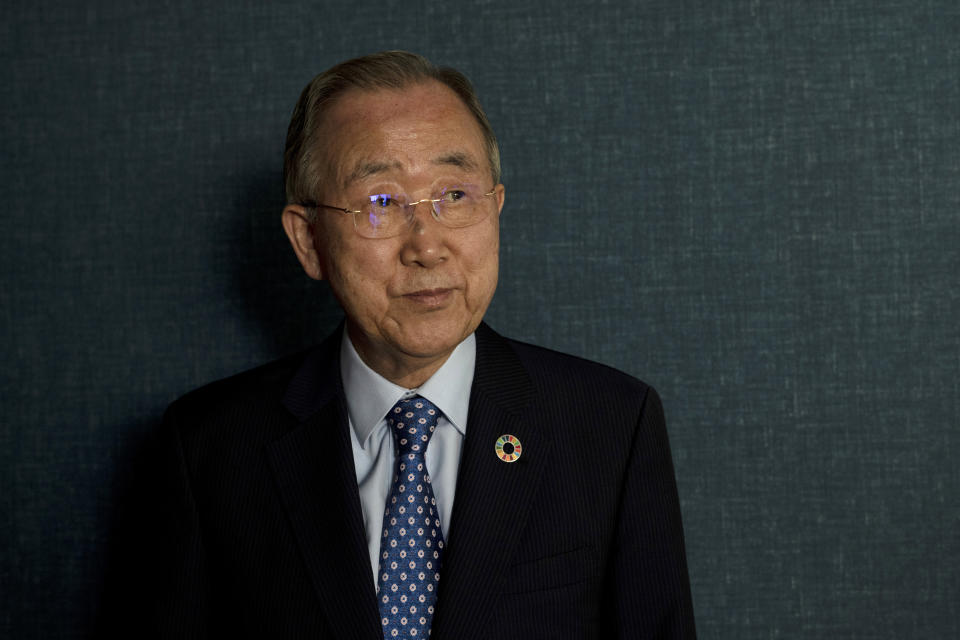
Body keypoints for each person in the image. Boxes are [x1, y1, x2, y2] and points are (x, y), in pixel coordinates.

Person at [134, 51, 695, 639]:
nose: (427, 246)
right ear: (308, 240)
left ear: (496, 209)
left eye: (455, 195)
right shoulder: (210, 449)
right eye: (380, 202)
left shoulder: (609, 425)